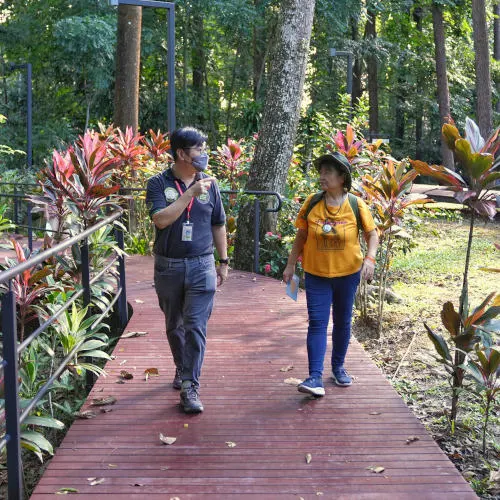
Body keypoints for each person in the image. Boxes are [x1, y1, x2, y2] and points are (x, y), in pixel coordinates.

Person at [146, 127, 229, 413]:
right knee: (175, 325)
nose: (204, 155)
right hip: (168, 266)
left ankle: (190, 386)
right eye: (199, 149)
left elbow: (218, 223)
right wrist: (190, 194)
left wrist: (224, 261)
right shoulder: (158, 183)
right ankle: (183, 369)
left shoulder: (211, 184)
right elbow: (160, 220)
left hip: (202, 264)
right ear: (181, 153)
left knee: (195, 325)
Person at [283, 152, 378, 397]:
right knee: (317, 322)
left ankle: (338, 367)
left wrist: (370, 258)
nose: (322, 176)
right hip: (317, 275)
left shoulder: (356, 205)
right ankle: (315, 377)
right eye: (321, 171)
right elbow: (301, 236)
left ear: (342, 177)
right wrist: (290, 265)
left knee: (343, 321)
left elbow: (372, 234)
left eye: (328, 172)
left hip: (348, 274)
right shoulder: (312, 202)